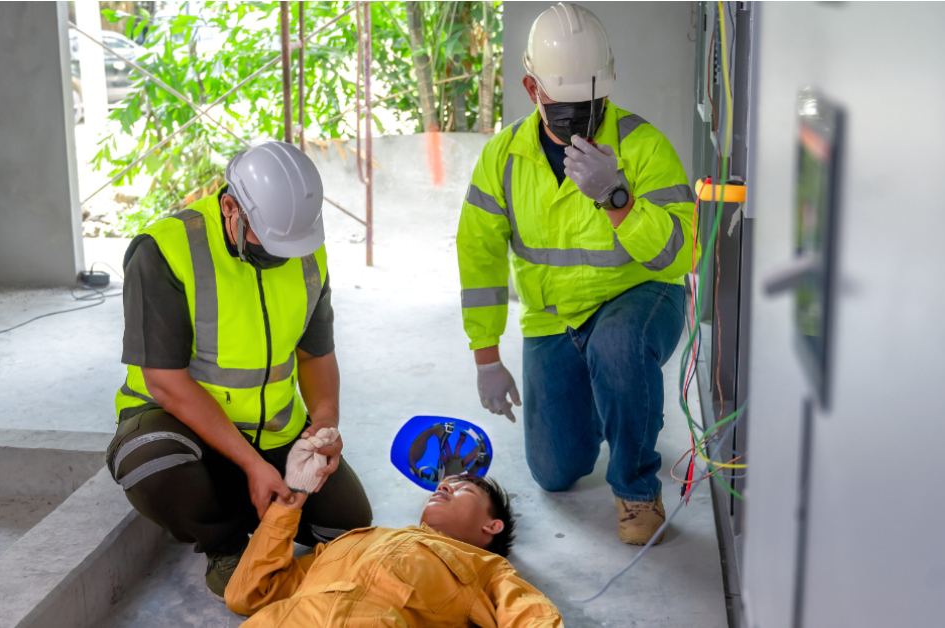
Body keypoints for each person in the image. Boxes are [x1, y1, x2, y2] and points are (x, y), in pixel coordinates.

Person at [457, 3, 693, 545]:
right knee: (555, 473)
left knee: (616, 345)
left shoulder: (643, 146)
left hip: (639, 300)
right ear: (532, 88)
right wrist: (485, 356)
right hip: (554, 320)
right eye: (563, 104)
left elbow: (681, 255)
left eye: (590, 103)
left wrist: (618, 198)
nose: (578, 116)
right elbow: (479, 256)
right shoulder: (504, 158)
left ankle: (636, 490)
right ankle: (617, 400)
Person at [106, 140, 372, 597]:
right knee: (151, 457)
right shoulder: (164, 251)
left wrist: (324, 425)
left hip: (273, 433)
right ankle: (225, 545)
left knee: (350, 524)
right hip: (183, 428)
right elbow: (165, 383)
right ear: (231, 207)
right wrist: (251, 465)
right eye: (267, 242)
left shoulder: (306, 250)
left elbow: (315, 354)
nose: (280, 256)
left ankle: (258, 502)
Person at [225, 474, 563, 627]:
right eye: (446, 482)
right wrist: (287, 505)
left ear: (492, 526)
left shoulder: (486, 566)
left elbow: (530, 616)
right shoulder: (355, 539)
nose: (444, 484)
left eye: (465, 489)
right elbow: (249, 592)